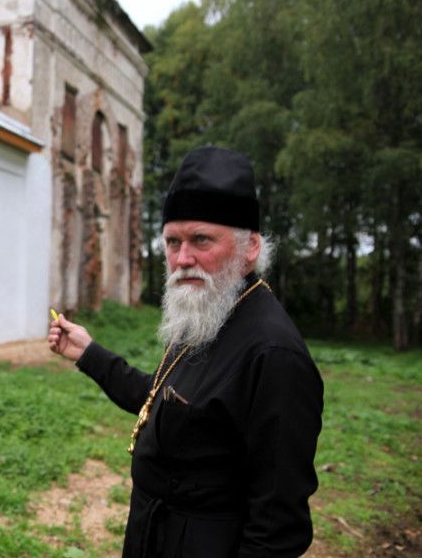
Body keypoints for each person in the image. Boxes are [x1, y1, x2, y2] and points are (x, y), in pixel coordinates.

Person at [48, 146, 323, 557]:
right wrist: (90, 354)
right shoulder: (207, 311)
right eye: (172, 241)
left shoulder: (274, 355)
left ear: (250, 247)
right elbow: (165, 403)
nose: (182, 259)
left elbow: (277, 531)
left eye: (201, 240)